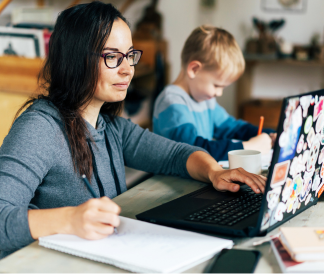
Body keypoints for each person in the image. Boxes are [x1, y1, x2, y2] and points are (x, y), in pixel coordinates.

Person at [0, 2, 266, 259]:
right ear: (75, 59)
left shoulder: (112, 127)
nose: (128, 69)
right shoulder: (39, 128)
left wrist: (215, 171)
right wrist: (69, 218)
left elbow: (174, 154)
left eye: (129, 55)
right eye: (113, 57)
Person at [153, 25, 277, 161]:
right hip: (170, 180)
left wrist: (270, 135)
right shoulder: (172, 102)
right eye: (217, 85)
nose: (219, 93)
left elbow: (233, 128)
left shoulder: (205, 99)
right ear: (194, 69)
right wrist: (246, 147)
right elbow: (194, 150)